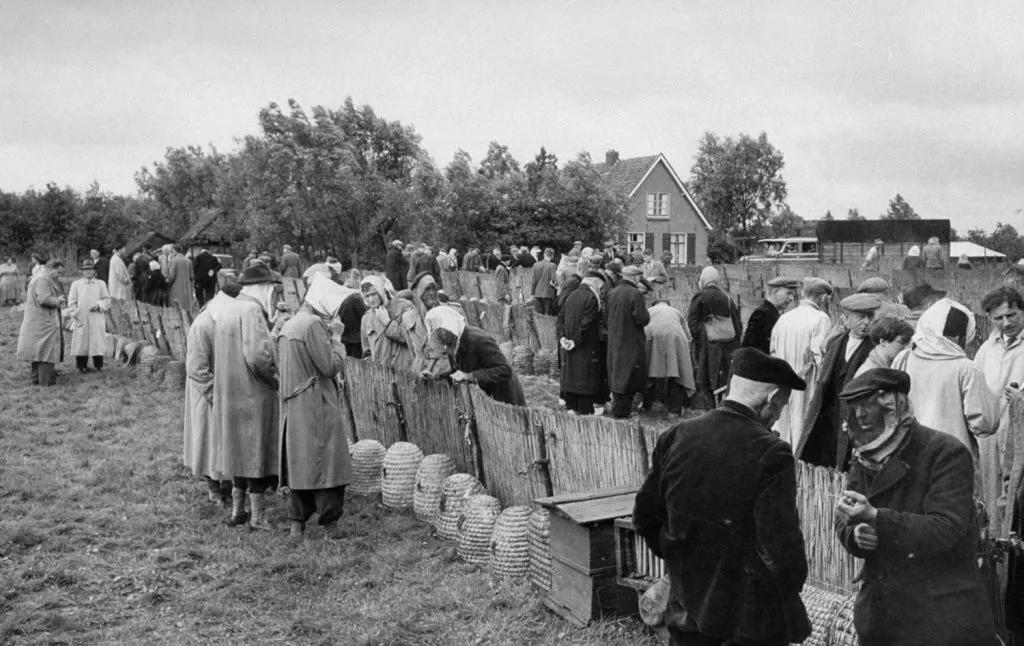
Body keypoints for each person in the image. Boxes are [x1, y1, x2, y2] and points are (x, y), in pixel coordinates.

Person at [634, 347, 810, 646]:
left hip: (686, 608)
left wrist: (680, 557)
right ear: (773, 399)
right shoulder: (772, 452)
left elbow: (645, 517)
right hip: (747, 621)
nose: (777, 418)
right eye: (781, 407)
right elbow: (781, 550)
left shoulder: (677, 435)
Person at [835, 368, 997, 645]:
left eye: (868, 405)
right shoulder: (864, 456)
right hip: (881, 615)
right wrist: (856, 534)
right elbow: (845, 521)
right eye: (855, 407)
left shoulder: (945, 451)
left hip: (939, 616)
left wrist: (877, 518)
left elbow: (947, 529)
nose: (860, 415)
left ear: (893, 408)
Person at [277, 278, 355, 542]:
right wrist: (336, 338)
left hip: (295, 404)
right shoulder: (313, 326)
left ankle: (296, 524)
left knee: (300, 464)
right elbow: (330, 366)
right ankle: (330, 526)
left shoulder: (290, 323)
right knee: (326, 462)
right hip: (315, 404)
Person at [974, 287, 1024, 639]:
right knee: (994, 505)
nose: (1006, 323)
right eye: (999, 318)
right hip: (991, 438)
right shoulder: (986, 348)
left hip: (1022, 442)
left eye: (1012, 315)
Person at [214, 264, 280, 529]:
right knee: (254, 456)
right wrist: (274, 378)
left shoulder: (229, 306)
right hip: (251, 393)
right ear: (263, 287)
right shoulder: (252, 309)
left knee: (238, 454)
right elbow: (257, 356)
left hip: (230, 393)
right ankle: (258, 517)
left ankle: (236, 512)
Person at [890, 297, 996, 456]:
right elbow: (985, 424)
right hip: (952, 456)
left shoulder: (904, 358)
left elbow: (891, 405)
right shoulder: (966, 368)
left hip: (909, 451)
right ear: (964, 335)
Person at [797, 293, 881, 469]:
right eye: (860, 317)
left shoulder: (875, 348)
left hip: (853, 415)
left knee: (847, 461)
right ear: (846, 318)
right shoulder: (835, 342)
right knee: (823, 457)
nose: (866, 322)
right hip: (828, 412)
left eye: (870, 317)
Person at [184, 280, 239, 507]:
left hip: (227, 393)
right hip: (208, 395)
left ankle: (228, 484)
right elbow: (197, 369)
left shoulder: (228, 320)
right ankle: (214, 488)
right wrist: (216, 395)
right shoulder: (203, 325)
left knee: (226, 444)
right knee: (209, 443)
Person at [770, 277, 834, 448]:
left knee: (784, 425)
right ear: (822, 298)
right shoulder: (821, 319)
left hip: (784, 379)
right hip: (806, 383)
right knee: (803, 424)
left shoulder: (784, 318)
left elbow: (773, 351)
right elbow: (821, 356)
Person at [420, 306, 526, 405]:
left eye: (442, 330)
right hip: (484, 398)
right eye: (437, 331)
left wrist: (470, 376)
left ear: (451, 325)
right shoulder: (452, 344)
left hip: (503, 396)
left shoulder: (477, 340)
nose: (441, 335)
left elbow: (504, 369)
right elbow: (458, 372)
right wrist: (436, 378)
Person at [687, 266, 742, 410]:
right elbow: (737, 324)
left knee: (707, 380)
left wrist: (700, 339)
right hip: (728, 347)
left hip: (708, 347)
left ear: (703, 279)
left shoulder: (700, 296)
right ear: (716, 279)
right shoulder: (727, 298)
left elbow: (692, 323)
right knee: (725, 380)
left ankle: (712, 409)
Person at [557, 266, 605, 415]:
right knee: (585, 376)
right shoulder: (591, 298)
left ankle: (572, 406)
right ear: (595, 282)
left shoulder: (571, 295)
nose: (600, 290)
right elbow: (587, 324)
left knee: (571, 374)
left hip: (569, 342)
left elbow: (562, 318)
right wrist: (576, 341)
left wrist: (564, 337)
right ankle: (586, 409)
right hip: (585, 345)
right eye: (600, 286)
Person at [605, 266, 651, 418]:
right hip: (631, 341)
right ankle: (622, 413)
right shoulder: (636, 294)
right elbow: (643, 319)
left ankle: (618, 411)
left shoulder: (612, 292)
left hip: (614, 341)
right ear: (636, 277)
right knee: (630, 377)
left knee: (617, 375)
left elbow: (606, 317)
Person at [17, 259, 66, 386]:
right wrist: (58, 300)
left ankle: (36, 379)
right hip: (43, 321)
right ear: (52, 269)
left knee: (37, 351)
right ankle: (46, 382)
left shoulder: (41, 277)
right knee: (46, 351)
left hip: (38, 321)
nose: (59, 276)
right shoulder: (43, 279)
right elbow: (44, 299)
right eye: (59, 273)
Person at [644, 300, 694, 417]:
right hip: (675, 337)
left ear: (654, 304)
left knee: (649, 372)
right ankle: (674, 410)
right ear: (667, 304)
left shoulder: (649, 311)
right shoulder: (676, 311)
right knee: (675, 374)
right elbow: (688, 334)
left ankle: (648, 406)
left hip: (652, 336)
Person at [359, 276, 417, 371]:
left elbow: (412, 340)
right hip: (382, 375)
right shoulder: (366, 319)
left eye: (373, 294)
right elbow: (367, 352)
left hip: (405, 372)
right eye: (367, 296)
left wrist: (388, 322)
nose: (371, 300)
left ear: (381, 291)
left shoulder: (404, 306)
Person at [67, 259, 110, 373]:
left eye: (90, 269)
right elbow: (71, 302)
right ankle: (81, 366)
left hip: (96, 317)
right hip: (81, 317)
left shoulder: (101, 284)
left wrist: (99, 306)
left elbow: (107, 300)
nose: (88, 272)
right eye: (86, 270)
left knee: (97, 341)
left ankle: (98, 366)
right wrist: (76, 314)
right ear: (82, 271)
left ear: (94, 271)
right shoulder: (76, 284)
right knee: (81, 342)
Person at [741, 277, 798, 354]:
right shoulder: (762, 314)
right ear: (775, 291)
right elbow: (748, 346)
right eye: (788, 293)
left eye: (792, 295)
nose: (791, 298)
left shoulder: (773, 313)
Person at [337, 284, 366, 359]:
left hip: (345, 337)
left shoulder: (342, 300)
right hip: (356, 339)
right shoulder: (356, 299)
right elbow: (364, 317)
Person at [165, 244, 194, 309]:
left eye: (172, 251)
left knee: (176, 307)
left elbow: (171, 276)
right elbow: (191, 276)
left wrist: (167, 284)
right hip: (187, 288)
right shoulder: (189, 261)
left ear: (175, 250)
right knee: (186, 307)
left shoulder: (174, 261)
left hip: (175, 288)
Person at [531, 248, 557, 315]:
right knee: (547, 316)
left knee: (538, 316)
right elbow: (553, 279)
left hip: (537, 293)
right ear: (552, 256)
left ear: (544, 254)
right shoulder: (552, 265)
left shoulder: (536, 265)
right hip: (548, 293)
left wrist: (532, 293)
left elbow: (534, 281)